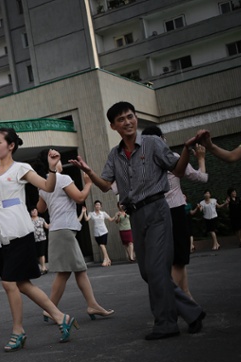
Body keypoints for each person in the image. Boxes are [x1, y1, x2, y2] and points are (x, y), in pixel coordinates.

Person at [69, 101, 206, 340]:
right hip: (136, 215)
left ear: (136, 118)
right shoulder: (115, 154)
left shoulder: (152, 143)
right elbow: (105, 185)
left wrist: (185, 150)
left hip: (157, 210)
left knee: (156, 269)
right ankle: (192, 312)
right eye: (121, 119)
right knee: (147, 272)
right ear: (113, 126)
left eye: (130, 117)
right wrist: (89, 172)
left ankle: (166, 323)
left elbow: (179, 170)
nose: (128, 122)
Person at [0, 127, 79, 351]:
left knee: (9, 283)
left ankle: (18, 331)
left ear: (11, 146)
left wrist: (52, 169)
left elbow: (47, 186)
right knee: (22, 284)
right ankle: (60, 317)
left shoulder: (21, 168)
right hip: (3, 236)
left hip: (21, 231)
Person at [36, 156, 114, 321]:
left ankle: (84, 305)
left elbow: (40, 208)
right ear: (50, 163)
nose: (59, 161)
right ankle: (54, 308)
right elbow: (79, 198)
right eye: (55, 159)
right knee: (71, 271)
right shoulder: (63, 178)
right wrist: (88, 184)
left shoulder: (44, 183)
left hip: (59, 229)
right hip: (64, 229)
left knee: (74, 270)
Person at [142, 125, 208, 299]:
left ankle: (186, 294)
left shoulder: (141, 164)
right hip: (175, 212)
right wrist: (201, 158)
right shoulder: (173, 158)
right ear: (162, 139)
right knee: (179, 258)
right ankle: (168, 299)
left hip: (153, 214)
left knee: (174, 259)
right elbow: (200, 177)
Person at [80, 200, 115, 266]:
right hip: (96, 233)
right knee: (102, 246)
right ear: (94, 206)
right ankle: (108, 259)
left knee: (102, 245)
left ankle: (105, 259)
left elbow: (110, 219)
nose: (97, 206)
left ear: (101, 206)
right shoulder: (91, 213)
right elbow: (86, 219)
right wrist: (84, 212)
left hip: (104, 231)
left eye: (99, 205)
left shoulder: (103, 213)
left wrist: (116, 215)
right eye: (96, 205)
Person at [29, 206, 49, 274]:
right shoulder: (29, 220)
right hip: (33, 239)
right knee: (37, 254)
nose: (34, 212)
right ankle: (42, 267)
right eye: (32, 211)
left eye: (35, 210)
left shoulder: (41, 219)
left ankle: (43, 267)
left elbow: (46, 226)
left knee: (41, 253)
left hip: (42, 238)